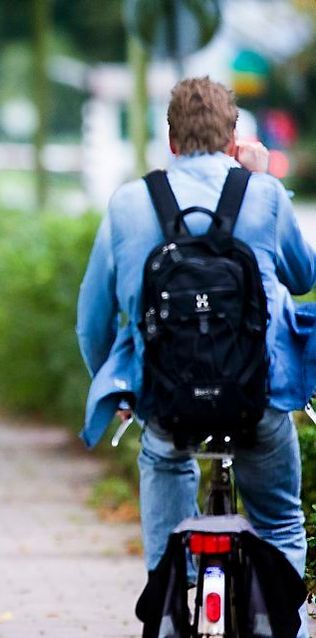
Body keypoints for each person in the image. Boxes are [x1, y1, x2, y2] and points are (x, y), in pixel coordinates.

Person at [76, 77, 314, 637]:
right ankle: (291, 626)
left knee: (164, 516)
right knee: (278, 520)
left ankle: (170, 609)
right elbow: (303, 276)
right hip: (259, 397)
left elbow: (92, 321)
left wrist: (117, 388)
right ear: (235, 137)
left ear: (171, 138)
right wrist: (259, 178)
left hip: (165, 400)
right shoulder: (263, 193)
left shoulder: (130, 202)